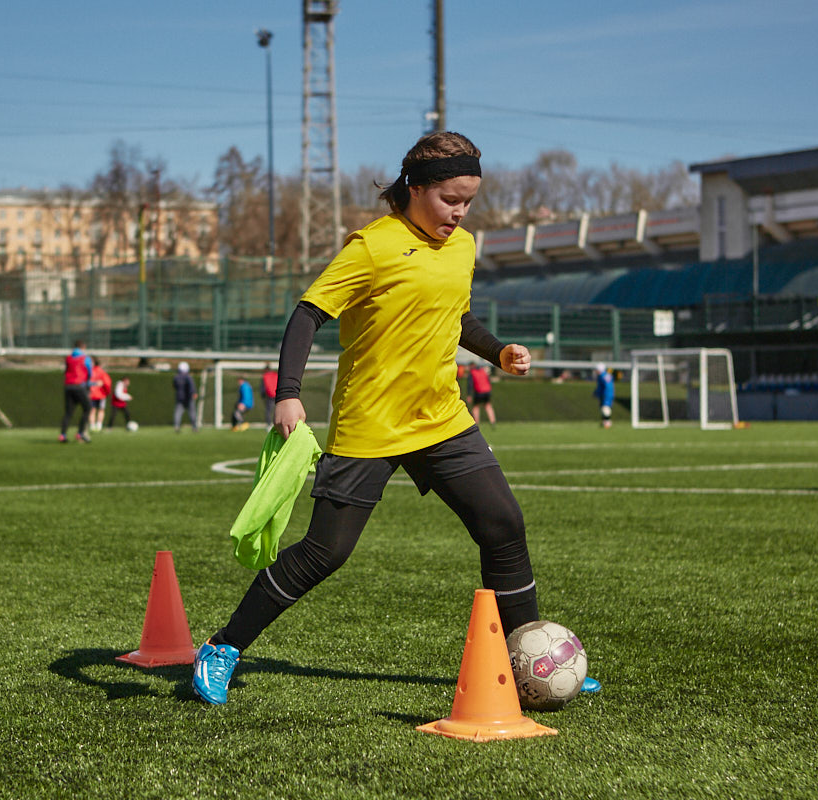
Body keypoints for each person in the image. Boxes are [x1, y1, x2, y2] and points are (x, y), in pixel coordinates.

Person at [192, 131, 599, 705]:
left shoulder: (463, 248)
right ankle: (223, 646)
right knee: (325, 552)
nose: (459, 213)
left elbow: (455, 317)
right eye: (449, 199)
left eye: (468, 201)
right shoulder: (372, 246)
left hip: (441, 420)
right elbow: (308, 315)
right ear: (415, 187)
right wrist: (287, 393)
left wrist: (498, 351)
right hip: (370, 424)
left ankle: (527, 653)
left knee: (503, 524)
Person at [59, 340, 93, 443]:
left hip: (68, 386)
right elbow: (89, 373)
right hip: (79, 386)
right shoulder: (85, 358)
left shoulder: (68, 358)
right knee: (87, 408)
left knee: (68, 412)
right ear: (83, 346)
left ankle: (62, 435)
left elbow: (66, 371)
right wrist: (88, 383)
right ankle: (80, 433)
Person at [173, 362, 199, 433]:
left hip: (179, 398)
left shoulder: (176, 377)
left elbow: (175, 386)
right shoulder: (188, 377)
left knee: (178, 413)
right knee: (192, 413)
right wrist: (194, 393)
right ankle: (194, 427)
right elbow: (191, 386)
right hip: (188, 397)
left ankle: (177, 426)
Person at [88, 359, 112, 433]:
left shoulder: (89, 371)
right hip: (100, 395)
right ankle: (98, 426)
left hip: (94, 394)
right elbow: (107, 383)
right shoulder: (101, 372)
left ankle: (94, 426)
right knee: (98, 410)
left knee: (94, 410)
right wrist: (107, 392)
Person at [593, 363, 615, 429]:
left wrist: (598, 393)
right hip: (608, 394)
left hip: (606, 394)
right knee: (604, 407)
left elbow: (607, 386)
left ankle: (607, 422)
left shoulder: (602, 376)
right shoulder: (607, 375)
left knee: (605, 408)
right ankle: (605, 421)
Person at [261, 363, 278, 429]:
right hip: (277, 394)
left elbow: (263, 387)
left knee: (268, 411)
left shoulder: (265, 376)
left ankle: (269, 425)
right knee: (277, 410)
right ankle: (277, 424)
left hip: (270, 396)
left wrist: (262, 395)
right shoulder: (275, 375)